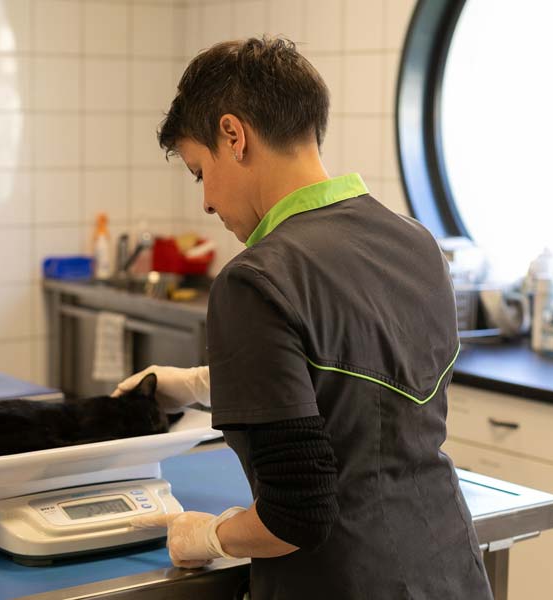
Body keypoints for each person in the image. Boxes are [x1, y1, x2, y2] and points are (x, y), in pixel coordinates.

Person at [113, 37, 493, 599]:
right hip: (447, 569)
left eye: (200, 173)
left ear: (234, 136)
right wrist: (201, 385)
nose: (207, 203)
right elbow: (356, 388)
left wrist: (209, 535)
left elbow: (296, 516)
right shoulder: (416, 243)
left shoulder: (256, 278)